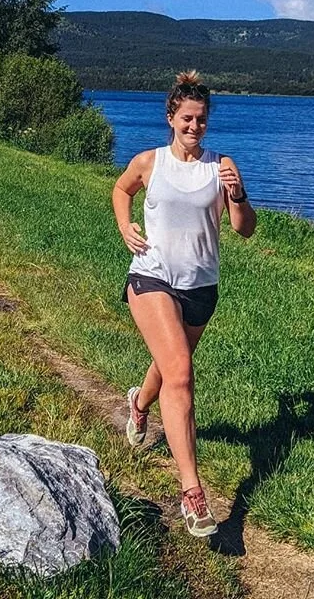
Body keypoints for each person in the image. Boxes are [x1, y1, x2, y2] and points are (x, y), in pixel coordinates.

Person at [112, 71, 256, 537]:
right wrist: (124, 226)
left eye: (202, 120)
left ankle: (139, 404)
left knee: (169, 366)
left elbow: (243, 228)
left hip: (200, 287)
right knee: (180, 373)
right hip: (151, 277)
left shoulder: (221, 167)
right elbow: (121, 189)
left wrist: (238, 193)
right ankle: (193, 493)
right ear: (171, 117)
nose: (195, 127)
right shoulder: (150, 162)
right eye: (187, 118)